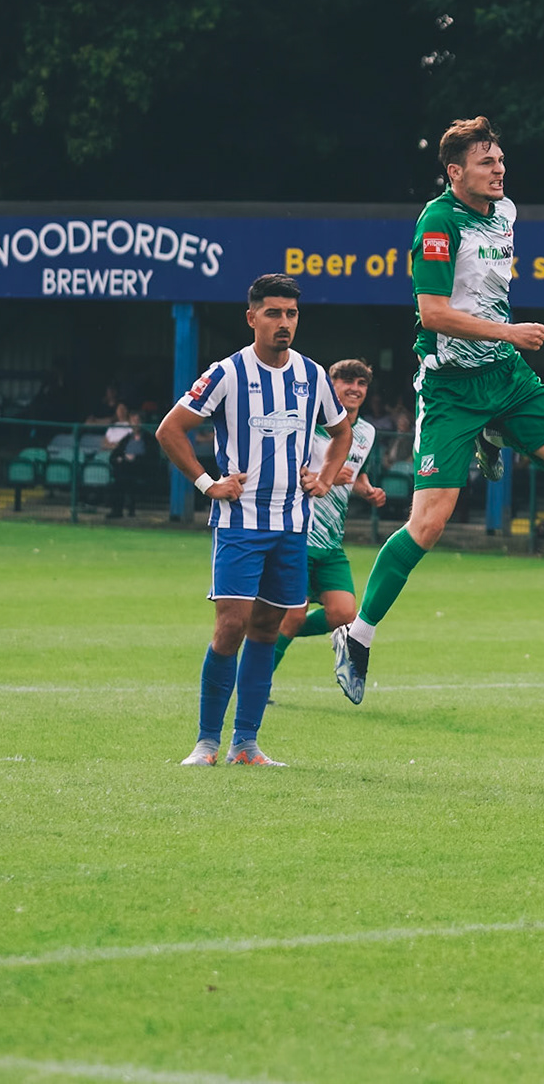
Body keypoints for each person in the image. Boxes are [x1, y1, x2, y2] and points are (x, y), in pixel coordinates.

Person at [330, 117, 544, 704]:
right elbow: (433, 313)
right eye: (487, 162)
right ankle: (357, 635)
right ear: (454, 172)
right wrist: (508, 332)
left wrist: (504, 344)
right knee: (428, 525)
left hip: (507, 378)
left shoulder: (506, 211)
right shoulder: (437, 222)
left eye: (500, 160)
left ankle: (495, 434)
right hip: (452, 390)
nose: (499, 169)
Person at [154, 274, 353, 769]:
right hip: (240, 522)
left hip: (292, 524)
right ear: (252, 317)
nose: (284, 322)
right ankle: (206, 743)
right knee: (231, 626)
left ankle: (246, 744)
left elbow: (341, 431)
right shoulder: (227, 373)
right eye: (273, 313)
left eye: (291, 314)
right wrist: (208, 483)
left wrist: (326, 477)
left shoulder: (312, 374)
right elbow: (170, 429)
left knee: (267, 627)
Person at [272, 360, 386, 670]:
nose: (354, 388)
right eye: (346, 381)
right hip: (299, 533)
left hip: (332, 542)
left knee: (344, 613)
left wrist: (367, 490)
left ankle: (268, 632)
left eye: (361, 383)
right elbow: (283, 471)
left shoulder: (367, 432)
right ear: (330, 387)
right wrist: (326, 476)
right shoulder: (308, 425)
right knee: (293, 614)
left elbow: (355, 473)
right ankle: (255, 682)